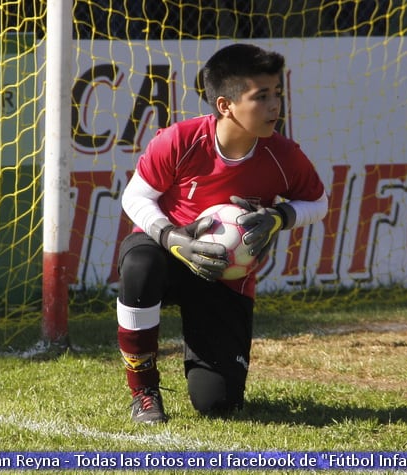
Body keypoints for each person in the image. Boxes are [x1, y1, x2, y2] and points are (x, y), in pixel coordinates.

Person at [116, 43, 328, 424]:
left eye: (277, 94)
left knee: (218, 405)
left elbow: (318, 202)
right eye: (261, 97)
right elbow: (135, 195)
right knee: (139, 264)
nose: (275, 106)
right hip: (167, 251)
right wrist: (172, 238)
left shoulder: (283, 153)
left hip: (225, 276)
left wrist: (279, 216)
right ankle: (143, 390)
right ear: (225, 105)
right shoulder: (179, 140)